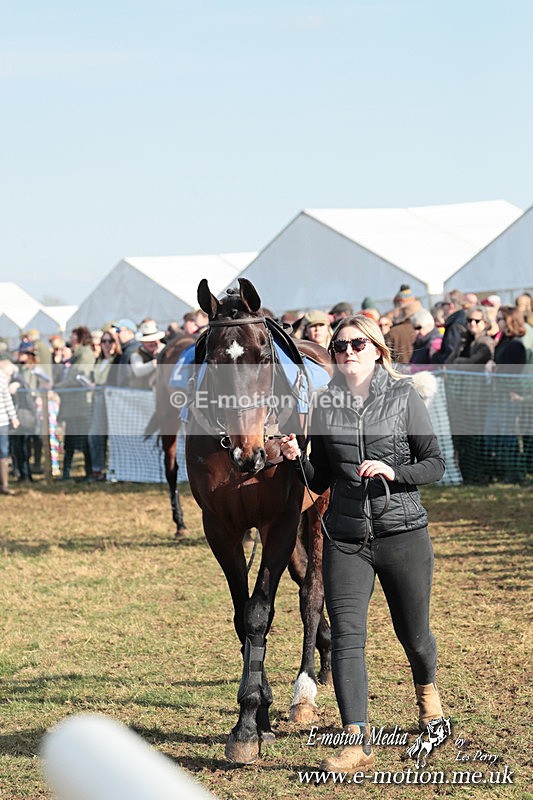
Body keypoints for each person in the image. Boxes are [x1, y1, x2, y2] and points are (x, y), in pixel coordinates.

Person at [280, 315, 445, 771]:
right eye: (339, 346)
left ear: (376, 349)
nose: (347, 352)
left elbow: (434, 464)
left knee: (414, 637)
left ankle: (428, 700)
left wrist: (396, 472)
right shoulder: (324, 403)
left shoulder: (404, 396)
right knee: (348, 636)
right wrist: (298, 460)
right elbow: (320, 477)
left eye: (356, 344)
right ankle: (357, 740)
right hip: (347, 537)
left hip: (403, 534)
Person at [87, 328, 122, 481]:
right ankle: (97, 470)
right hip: (98, 399)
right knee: (95, 436)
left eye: (110, 341)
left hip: (112, 400)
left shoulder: (118, 359)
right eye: (104, 341)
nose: (107, 344)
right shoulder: (99, 360)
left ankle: (113, 470)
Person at [0, 356, 20, 495]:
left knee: (3, 452)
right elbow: (7, 399)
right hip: (3, 422)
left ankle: (4, 484)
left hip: (2, 421)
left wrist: (13, 416)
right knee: (3, 452)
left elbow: (7, 399)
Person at [130, 320, 165, 389]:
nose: (152, 343)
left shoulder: (165, 350)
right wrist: (154, 363)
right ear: (142, 342)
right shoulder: (136, 354)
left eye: (154, 340)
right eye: (148, 341)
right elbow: (138, 371)